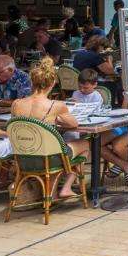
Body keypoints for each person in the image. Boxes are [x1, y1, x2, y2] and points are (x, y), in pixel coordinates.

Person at [12, 58, 88, 198]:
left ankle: (51, 194)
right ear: (52, 83)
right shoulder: (56, 105)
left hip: (24, 157)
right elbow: (74, 125)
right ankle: (66, 187)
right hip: (48, 158)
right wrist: (58, 120)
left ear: (32, 82)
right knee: (85, 144)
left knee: (53, 147)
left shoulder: (16, 104)